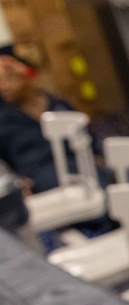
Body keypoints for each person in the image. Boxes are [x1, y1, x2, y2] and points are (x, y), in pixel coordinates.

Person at [0, 41, 75, 193]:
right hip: (40, 186)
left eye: (10, 78)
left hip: (78, 172)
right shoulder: (4, 123)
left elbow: (86, 138)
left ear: (27, 77)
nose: (4, 87)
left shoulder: (58, 106)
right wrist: (18, 181)